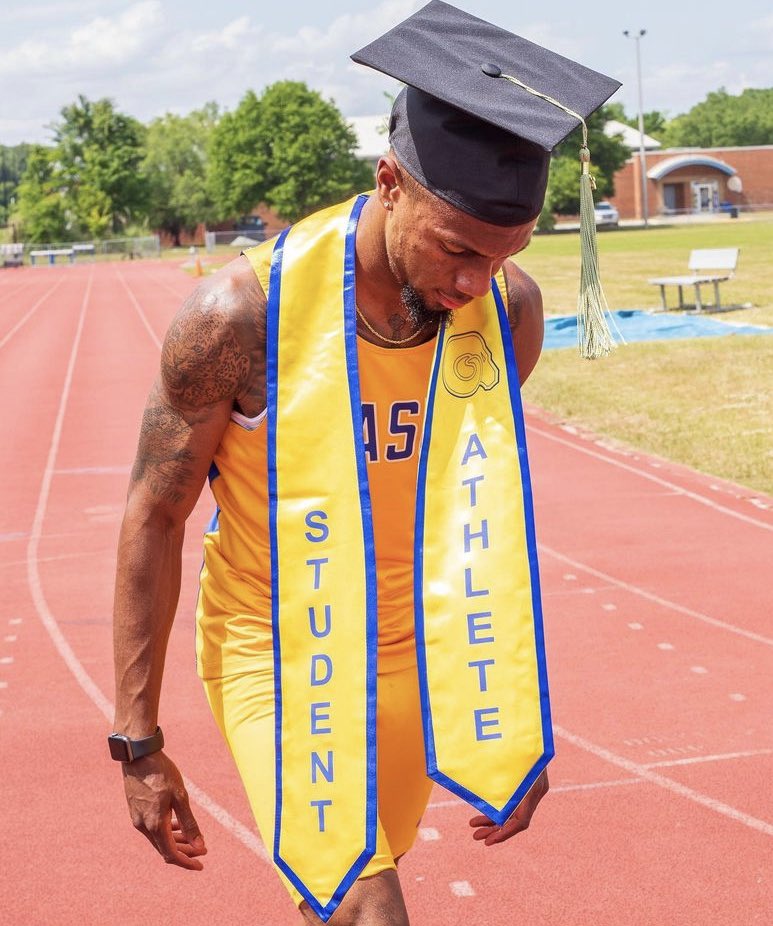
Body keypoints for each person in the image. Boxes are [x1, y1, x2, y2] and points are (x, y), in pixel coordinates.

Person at [110, 3, 619, 923]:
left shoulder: (505, 315)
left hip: (418, 654)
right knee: (364, 904)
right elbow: (154, 514)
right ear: (389, 181)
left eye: (504, 252)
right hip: (279, 642)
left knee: (336, 900)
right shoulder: (239, 318)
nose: (475, 281)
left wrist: (507, 717)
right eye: (458, 247)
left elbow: (471, 512)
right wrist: (136, 742)